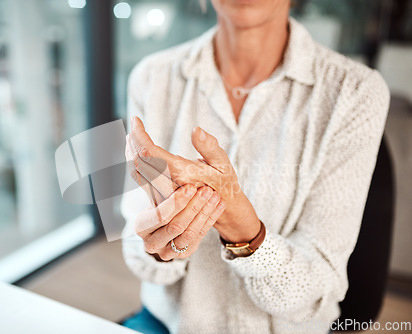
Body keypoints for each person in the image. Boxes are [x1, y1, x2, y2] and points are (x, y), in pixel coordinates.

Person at [120, 0, 390, 333]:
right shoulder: (150, 76)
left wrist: (242, 227)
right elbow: (132, 237)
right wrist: (161, 245)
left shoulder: (355, 91)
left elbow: (317, 287)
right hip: (170, 322)